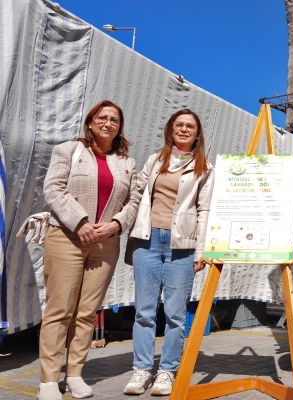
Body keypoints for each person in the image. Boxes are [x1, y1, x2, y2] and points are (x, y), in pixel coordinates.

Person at [39, 100, 140, 400]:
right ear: (91, 122)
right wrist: (80, 221)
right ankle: (47, 380)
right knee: (60, 310)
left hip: (105, 242)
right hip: (67, 236)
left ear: (119, 128)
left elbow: (134, 202)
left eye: (115, 120)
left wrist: (116, 225)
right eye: (102, 117)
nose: (108, 123)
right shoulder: (69, 150)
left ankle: (74, 375)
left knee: (86, 313)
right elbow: (53, 188)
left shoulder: (127, 163)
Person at [123, 109, 214, 396]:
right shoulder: (155, 160)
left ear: (197, 134)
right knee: (144, 313)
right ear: (171, 130)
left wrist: (201, 251)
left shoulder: (205, 168)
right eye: (179, 125)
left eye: (190, 126)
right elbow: (136, 194)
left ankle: (167, 371)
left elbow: (204, 210)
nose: (184, 129)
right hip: (147, 242)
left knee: (175, 315)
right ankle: (141, 370)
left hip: (182, 247)